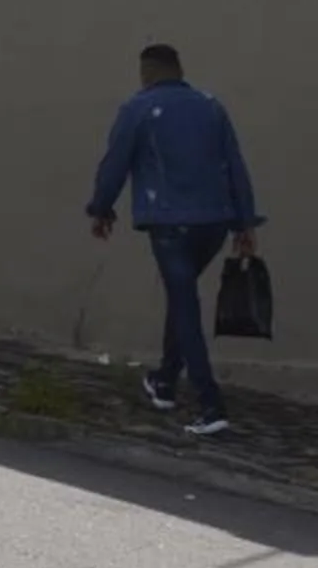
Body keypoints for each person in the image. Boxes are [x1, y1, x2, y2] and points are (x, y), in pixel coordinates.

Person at [85, 43, 262, 437]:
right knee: (181, 298)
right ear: (179, 69)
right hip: (215, 222)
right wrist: (245, 223)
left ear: (146, 72)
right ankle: (164, 381)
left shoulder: (138, 108)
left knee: (184, 305)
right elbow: (235, 165)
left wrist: (101, 209)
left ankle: (210, 405)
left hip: (169, 222)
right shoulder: (211, 106)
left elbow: (115, 163)